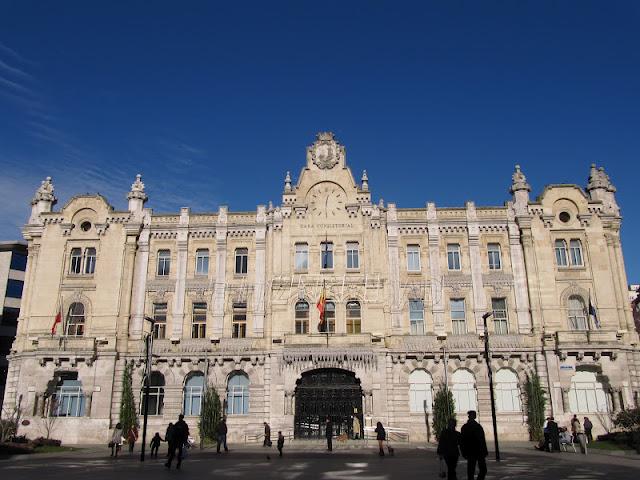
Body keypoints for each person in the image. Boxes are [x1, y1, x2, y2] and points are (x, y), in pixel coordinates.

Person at [460, 411, 488, 480]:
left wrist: (484, 450)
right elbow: (463, 441)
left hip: (477, 451)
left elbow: (482, 440)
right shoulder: (466, 427)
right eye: (472, 415)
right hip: (472, 451)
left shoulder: (477, 426)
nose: (473, 417)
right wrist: (464, 452)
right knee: (472, 470)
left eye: (474, 415)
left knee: (478, 470)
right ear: (470, 416)